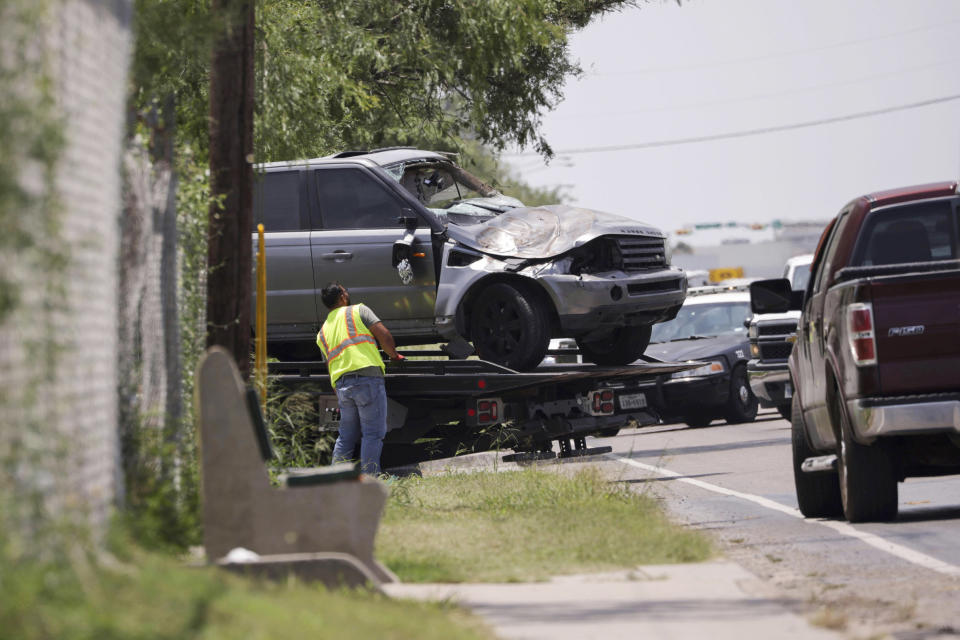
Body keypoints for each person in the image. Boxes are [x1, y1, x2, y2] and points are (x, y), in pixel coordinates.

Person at [316, 283, 403, 475]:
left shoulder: (322, 332)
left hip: (342, 387)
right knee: (372, 434)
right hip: (367, 380)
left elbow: (330, 366)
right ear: (342, 297)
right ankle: (370, 479)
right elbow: (385, 336)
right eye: (345, 291)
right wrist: (394, 356)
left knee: (345, 437)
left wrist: (338, 391)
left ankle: (336, 479)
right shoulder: (358, 311)